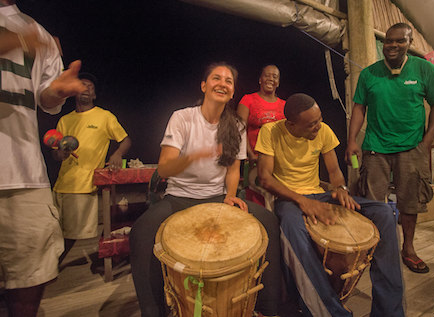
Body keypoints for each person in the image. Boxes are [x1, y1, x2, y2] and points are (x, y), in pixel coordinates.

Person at [129, 62, 281, 317]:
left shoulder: (236, 126)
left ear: (232, 92)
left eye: (228, 81)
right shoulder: (182, 118)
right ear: (204, 85)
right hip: (178, 198)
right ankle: (153, 311)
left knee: (268, 221)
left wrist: (231, 196)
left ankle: (268, 307)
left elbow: (233, 170)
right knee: (140, 234)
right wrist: (193, 156)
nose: (222, 83)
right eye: (216, 78)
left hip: (217, 197)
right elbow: (164, 170)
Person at [256, 93, 404, 317]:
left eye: (319, 120)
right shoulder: (271, 132)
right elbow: (265, 178)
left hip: (319, 195)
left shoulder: (323, 131)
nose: (318, 127)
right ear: (292, 124)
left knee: (384, 212)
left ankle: (389, 311)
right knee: (292, 230)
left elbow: (334, 172)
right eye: (311, 124)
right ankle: (330, 311)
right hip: (289, 200)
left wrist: (340, 190)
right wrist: (301, 201)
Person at [0, 0, 86, 316]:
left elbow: (45, 101)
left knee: (28, 280)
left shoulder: (40, 34)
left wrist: (57, 93)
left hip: (24, 175)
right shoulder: (30, 37)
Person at [346, 23, 434, 274]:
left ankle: (409, 249)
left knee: (409, 202)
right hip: (375, 147)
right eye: (389, 41)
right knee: (372, 201)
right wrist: (351, 142)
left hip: (411, 147)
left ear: (409, 43)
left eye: (399, 41)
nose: (393, 45)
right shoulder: (370, 74)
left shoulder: (424, 69)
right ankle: (375, 248)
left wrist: (428, 140)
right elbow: (359, 109)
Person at [52, 72, 131, 264]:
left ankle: (51, 267)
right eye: (82, 85)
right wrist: (61, 154)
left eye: (90, 87)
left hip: (83, 185)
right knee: (51, 233)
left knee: (71, 234)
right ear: (74, 92)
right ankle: (46, 267)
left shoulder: (104, 116)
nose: (86, 89)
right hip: (59, 186)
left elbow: (125, 140)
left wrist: (117, 154)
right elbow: (56, 154)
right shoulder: (65, 120)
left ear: (94, 95)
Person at [237, 64, 285, 166]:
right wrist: (250, 154)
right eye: (267, 75)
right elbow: (240, 129)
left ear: (278, 83)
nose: (270, 79)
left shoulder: (285, 105)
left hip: (278, 160)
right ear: (260, 80)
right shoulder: (247, 99)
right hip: (253, 159)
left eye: (275, 77)